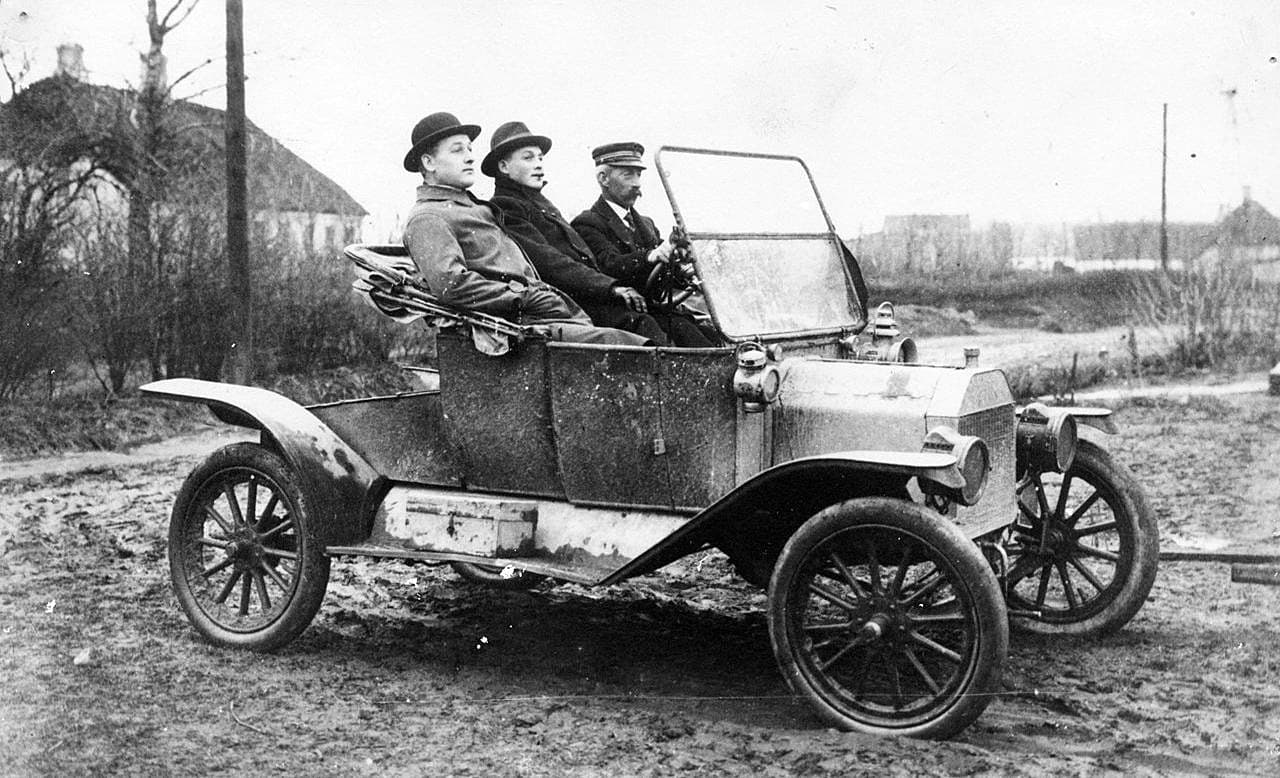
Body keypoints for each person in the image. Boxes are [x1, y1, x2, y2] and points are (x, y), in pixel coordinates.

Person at [398, 112, 649, 349]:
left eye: (470, 149)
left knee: (644, 340)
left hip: (544, 315)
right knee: (634, 348)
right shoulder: (428, 218)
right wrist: (521, 295)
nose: (470, 157)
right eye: (457, 150)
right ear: (428, 162)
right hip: (520, 327)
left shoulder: (475, 208)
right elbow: (452, 285)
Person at [482, 121, 671, 345]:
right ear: (504, 167)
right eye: (528, 158)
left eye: (540, 158)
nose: (539, 165)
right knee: (642, 326)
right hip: (566, 302)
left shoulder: (538, 203)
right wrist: (611, 287)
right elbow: (550, 263)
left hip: (584, 296)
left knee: (672, 321)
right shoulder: (507, 206)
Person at [570, 142, 717, 346]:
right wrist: (651, 256)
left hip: (652, 308)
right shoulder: (588, 223)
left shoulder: (646, 224)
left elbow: (661, 277)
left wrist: (679, 262)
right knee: (673, 339)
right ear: (603, 179)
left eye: (639, 175)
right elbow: (609, 264)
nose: (637, 183)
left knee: (708, 334)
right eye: (627, 175)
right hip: (619, 311)